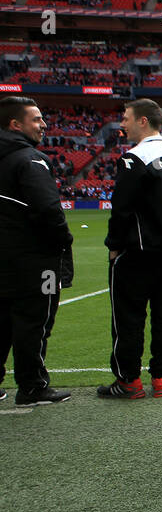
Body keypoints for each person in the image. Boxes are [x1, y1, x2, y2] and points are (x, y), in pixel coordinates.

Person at [98, 99, 162, 400]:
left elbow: (122, 208)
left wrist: (114, 246)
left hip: (137, 250)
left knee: (128, 315)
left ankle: (129, 381)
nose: (122, 123)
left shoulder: (134, 159)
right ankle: (161, 377)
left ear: (143, 121)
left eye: (126, 118)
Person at [0, 96, 73, 406]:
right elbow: (47, 209)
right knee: (35, 321)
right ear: (15, 124)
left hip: (4, 257)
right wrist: (62, 241)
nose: (43, 125)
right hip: (34, 258)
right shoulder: (30, 159)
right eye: (36, 119)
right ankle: (32, 386)